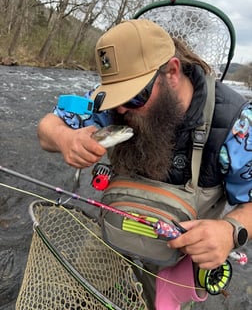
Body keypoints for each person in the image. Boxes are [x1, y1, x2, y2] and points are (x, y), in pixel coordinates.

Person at [37, 19, 252, 309]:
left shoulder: (237, 125)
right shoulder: (110, 103)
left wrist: (230, 230)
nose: (122, 109)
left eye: (134, 96)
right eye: (114, 99)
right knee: (79, 297)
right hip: (112, 232)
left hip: (177, 259)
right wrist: (65, 138)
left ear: (172, 72)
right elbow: (48, 127)